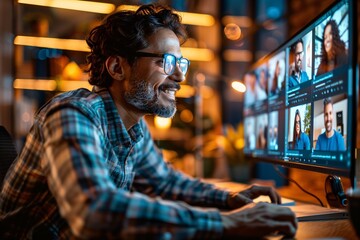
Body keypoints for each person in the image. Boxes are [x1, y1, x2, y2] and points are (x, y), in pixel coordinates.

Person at [0, 4, 297, 239]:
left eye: (181, 63)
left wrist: (230, 199)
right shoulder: (73, 113)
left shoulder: (133, 126)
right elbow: (93, 212)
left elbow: (165, 182)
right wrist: (225, 223)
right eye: (165, 62)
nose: (180, 76)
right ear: (117, 67)